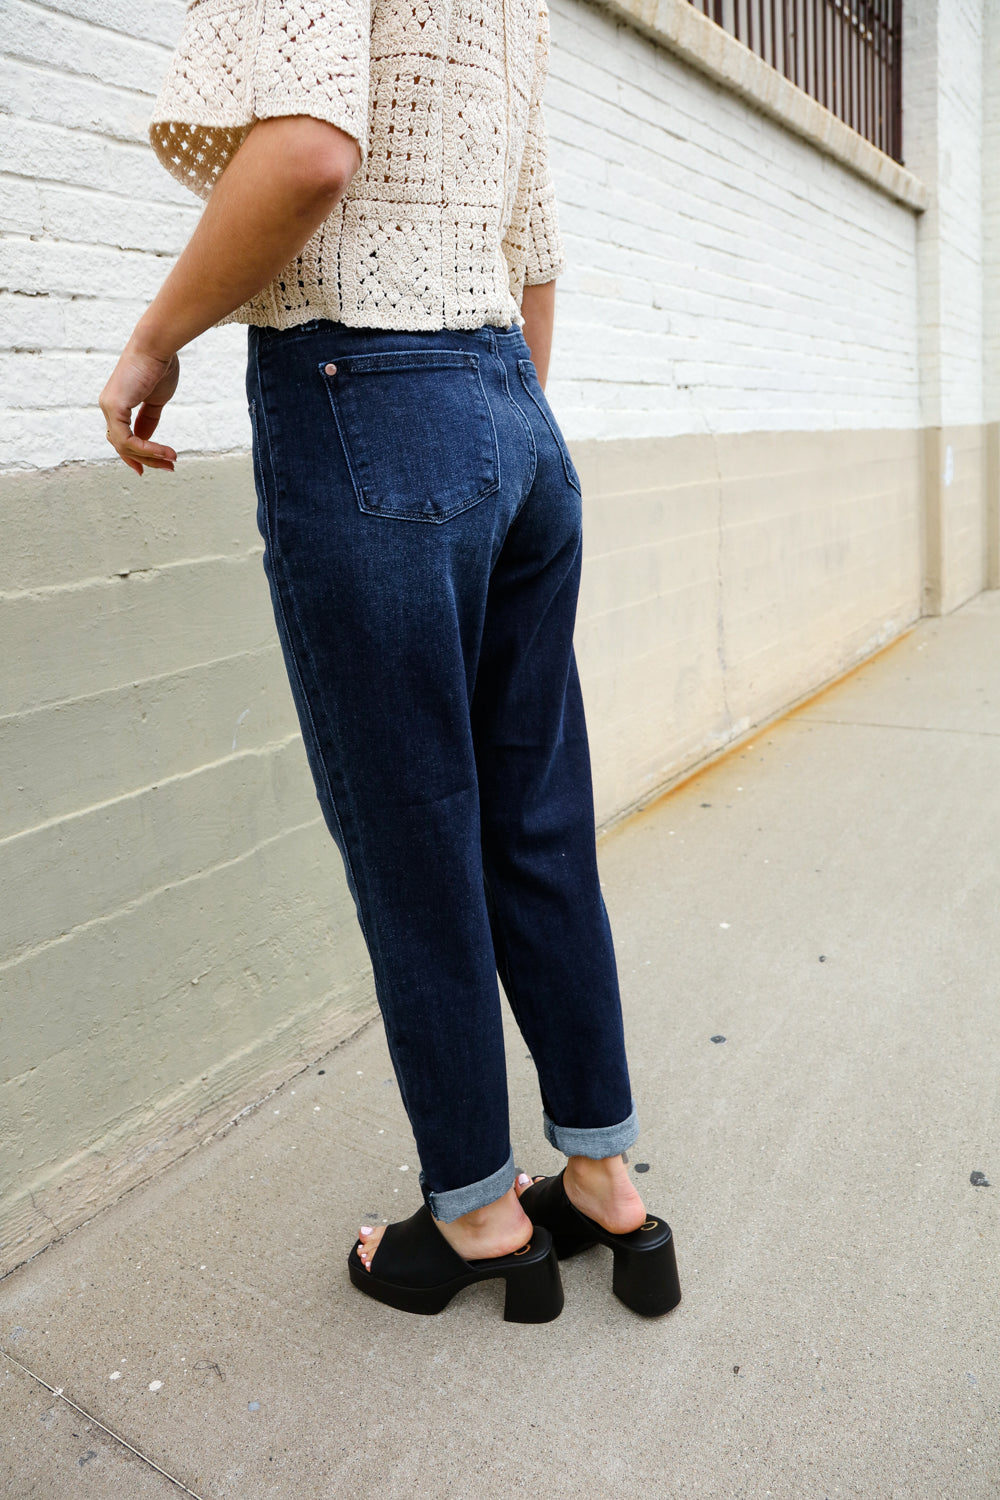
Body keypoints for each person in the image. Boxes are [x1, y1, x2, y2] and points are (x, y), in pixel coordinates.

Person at [100, 0, 679, 1321]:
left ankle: (477, 1212)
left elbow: (311, 151)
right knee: (536, 824)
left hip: (364, 400)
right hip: (515, 416)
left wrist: (155, 336)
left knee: (415, 839)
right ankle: (606, 1185)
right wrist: (498, 451)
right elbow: (532, 245)